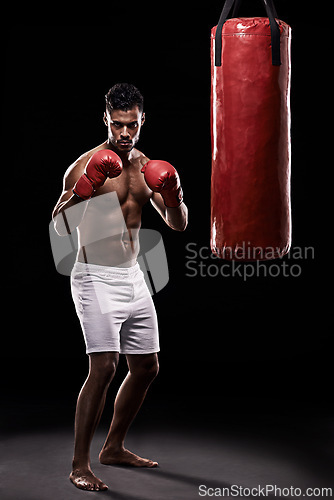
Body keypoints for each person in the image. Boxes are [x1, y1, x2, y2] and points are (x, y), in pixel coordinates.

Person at [52, 83, 188, 492]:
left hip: (133, 274)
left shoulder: (149, 168)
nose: (124, 133)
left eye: (131, 125)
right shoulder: (87, 164)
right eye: (116, 124)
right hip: (94, 276)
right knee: (105, 366)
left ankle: (113, 447)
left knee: (147, 366)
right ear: (106, 119)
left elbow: (178, 224)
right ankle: (80, 464)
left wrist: (173, 192)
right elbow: (59, 226)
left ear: (142, 120)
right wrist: (83, 191)